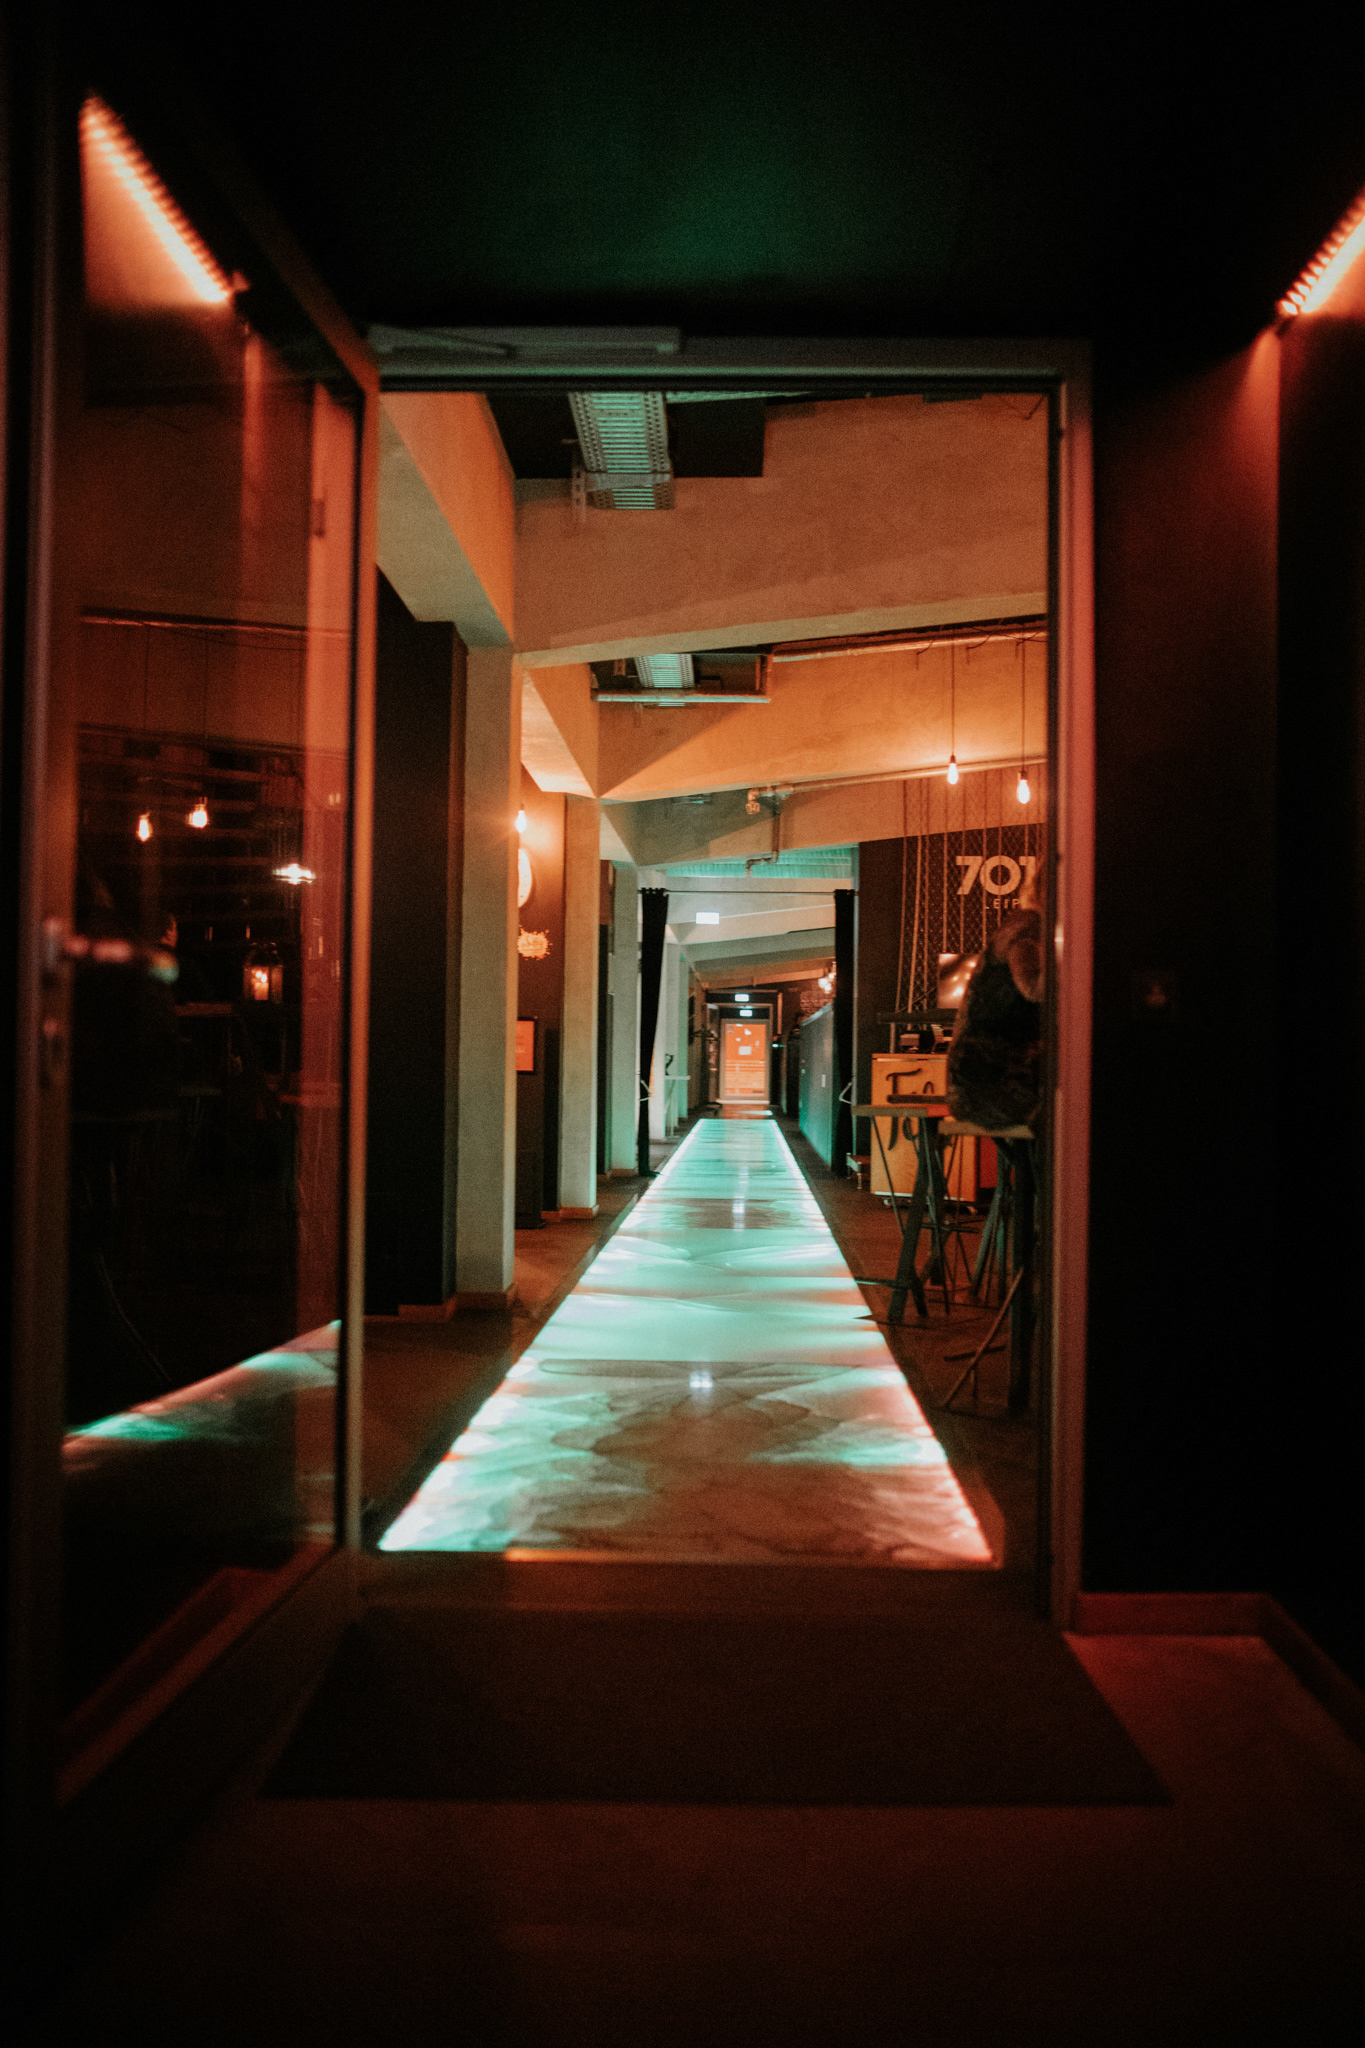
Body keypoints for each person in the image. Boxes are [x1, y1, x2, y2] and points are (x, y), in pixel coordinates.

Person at [946, 865, 1044, 1131]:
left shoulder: (1027, 925)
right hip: (992, 1080)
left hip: (976, 1079)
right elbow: (1033, 988)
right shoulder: (1028, 926)